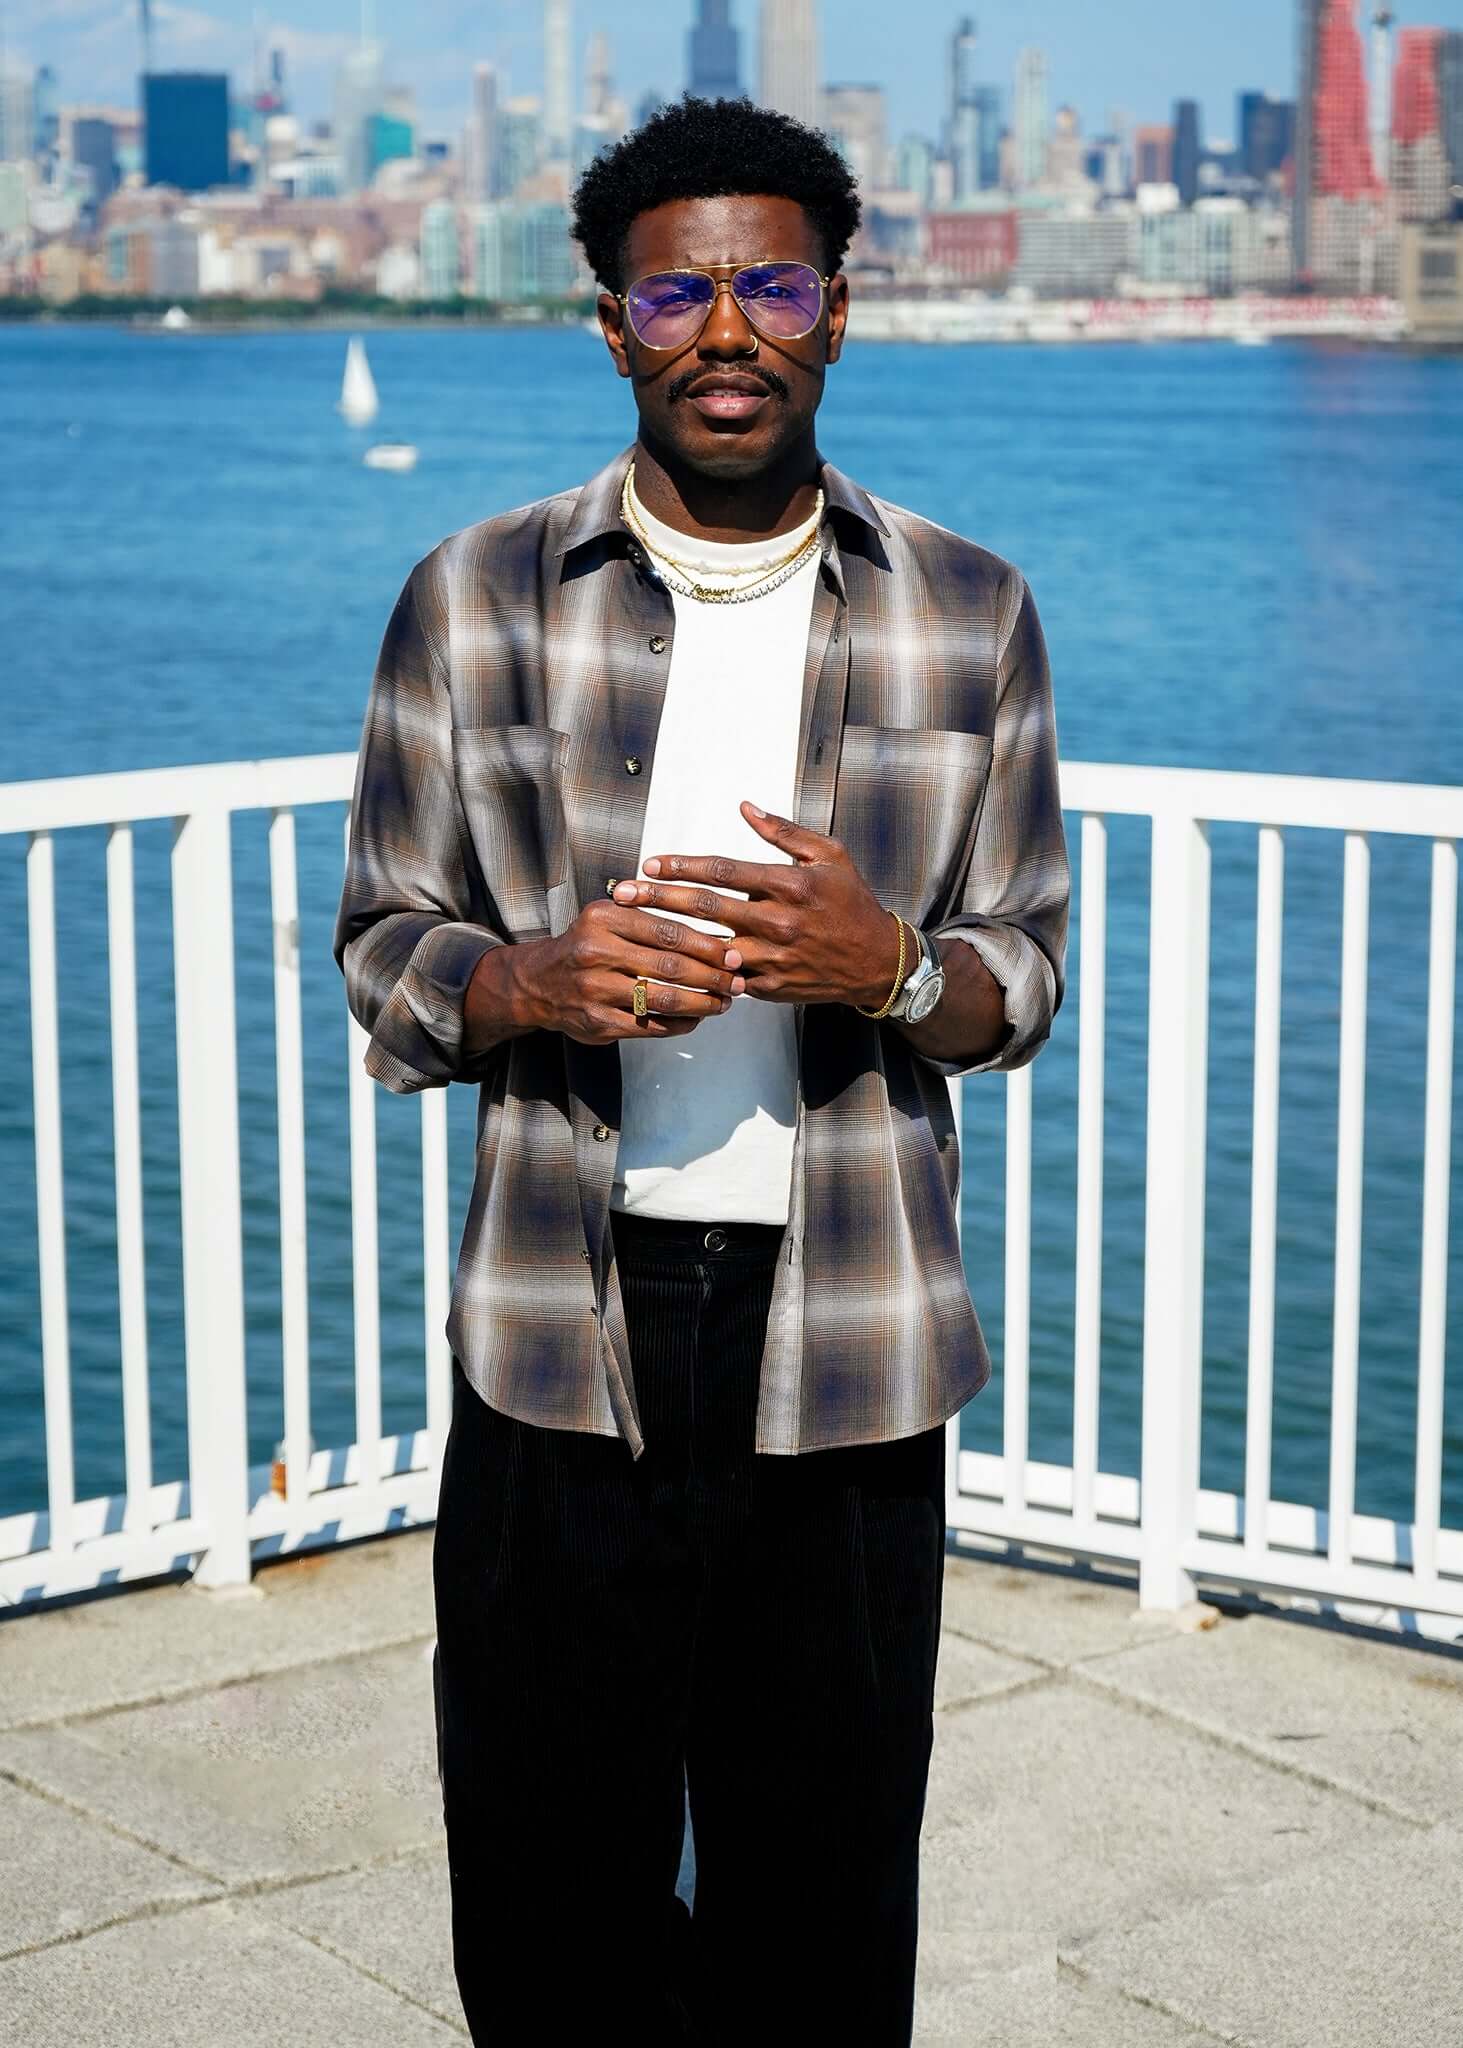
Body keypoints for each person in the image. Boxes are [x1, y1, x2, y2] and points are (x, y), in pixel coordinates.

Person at [335, 93, 1067, 2048]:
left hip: (850, 1338)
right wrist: (534, 978)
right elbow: (387, 961)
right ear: (609, 322)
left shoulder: (974, 611)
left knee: (820, 1894)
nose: (724, 328)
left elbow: (1027, 984)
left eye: (771, 283)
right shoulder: (474, 598)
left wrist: (889, 961)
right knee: (548, 1881)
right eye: (676, 291)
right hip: (561, 1328)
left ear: (842, 311)